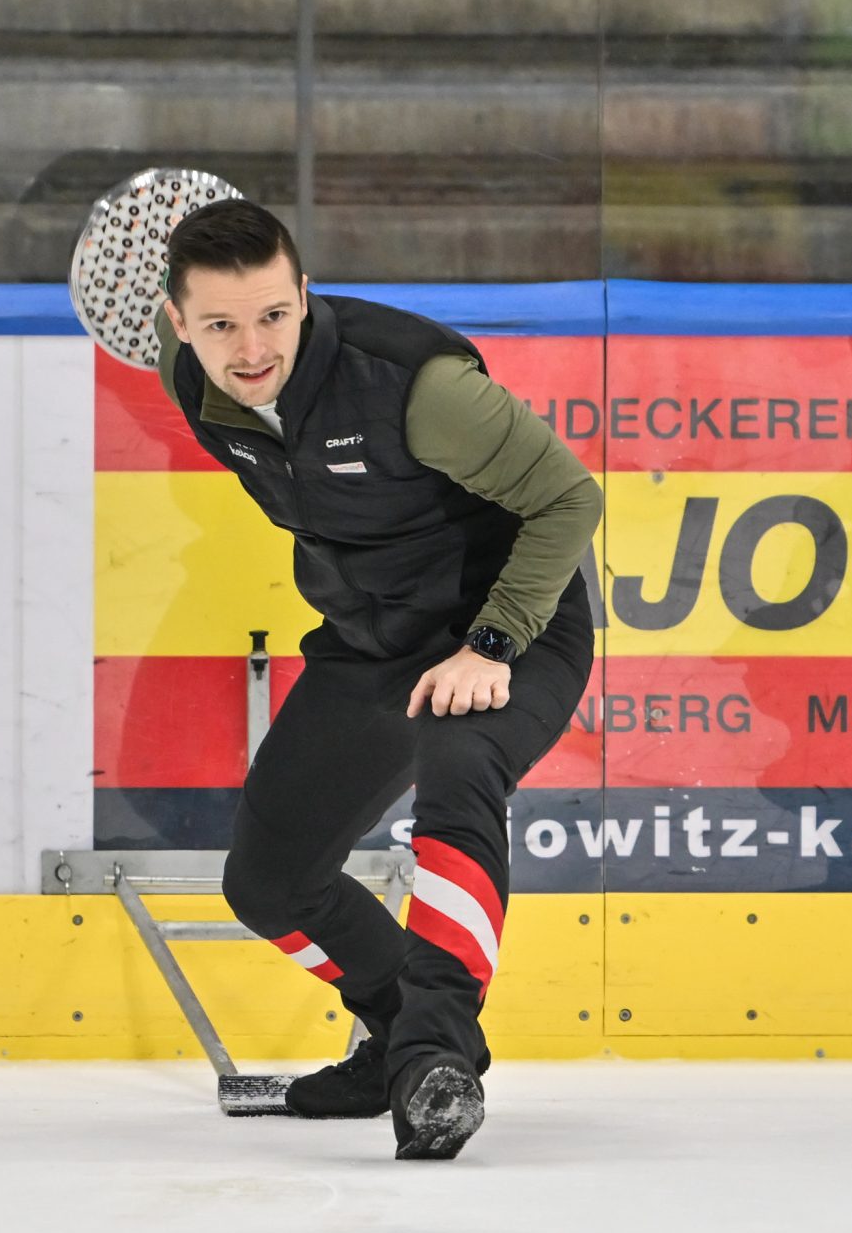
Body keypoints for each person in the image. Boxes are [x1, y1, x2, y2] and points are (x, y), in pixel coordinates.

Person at [155, 198, 600, 1160]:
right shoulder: (189, 385)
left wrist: (491, 643)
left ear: (306, 295)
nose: (253, 346)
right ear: (177, 323)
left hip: (515, 619)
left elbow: (569, 498)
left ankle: (436, 1063)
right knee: (270, 881)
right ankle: (400, 1038)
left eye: (276, 314)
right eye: (222, 324)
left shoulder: (414, 385)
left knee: (457, 756)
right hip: (372, 638)